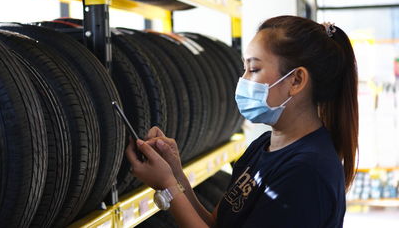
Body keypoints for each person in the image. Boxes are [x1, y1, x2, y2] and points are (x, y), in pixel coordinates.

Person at [126, 15, 358, 228]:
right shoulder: (264, 145)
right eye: (244, 68)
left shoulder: (307, 172)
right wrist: (175, 173)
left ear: (296, 80)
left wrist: (167, 187)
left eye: (254, 69)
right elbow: (217, 224)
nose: (243, 80)